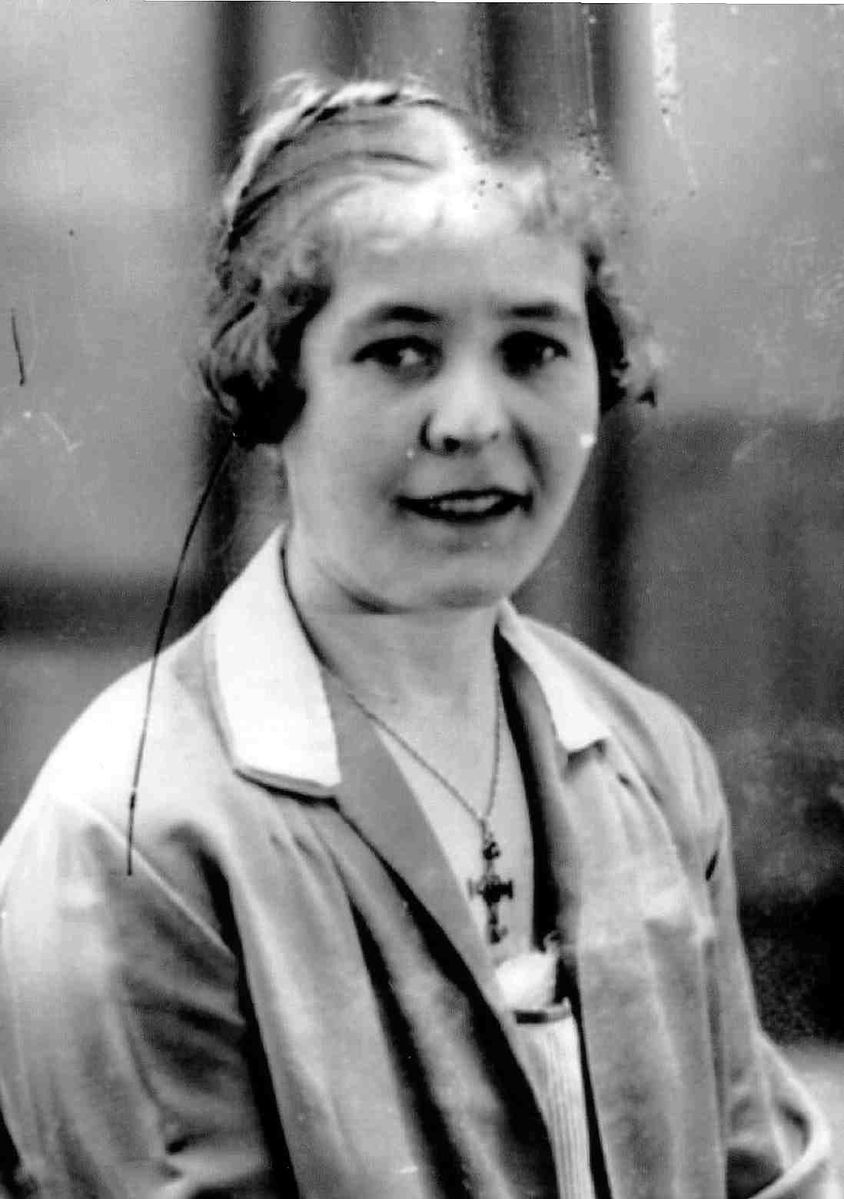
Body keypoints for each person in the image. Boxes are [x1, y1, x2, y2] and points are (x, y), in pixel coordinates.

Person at [0, 71, 837, 1199]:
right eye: (400, 350)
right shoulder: (137, 829)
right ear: (274, 380)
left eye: (532, 348)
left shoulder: (649, 758)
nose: (473, 421)